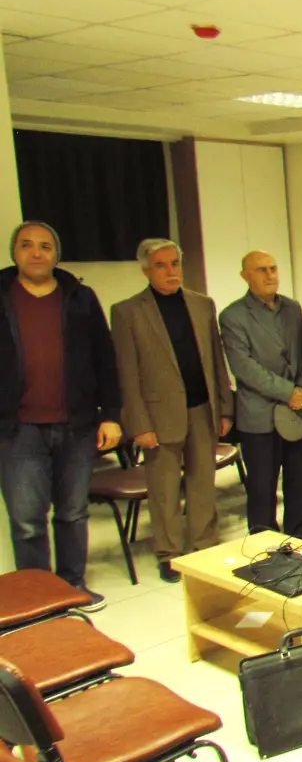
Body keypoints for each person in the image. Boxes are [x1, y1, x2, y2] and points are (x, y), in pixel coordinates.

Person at [0, 221, 121, 609]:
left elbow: (105, 359)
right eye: (27, 245)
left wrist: (111, 414)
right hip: (17, 430)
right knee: (26, 521)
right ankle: (38, 600)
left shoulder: (80, 297)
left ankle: (72, 587)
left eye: (45, 246)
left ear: (56, 254)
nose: (36, 252)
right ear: (14, 252)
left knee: (72, 512)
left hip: (77, 426)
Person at [112, 238, 234, 582]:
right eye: (161, 266)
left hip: (202, 408)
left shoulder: (202, 304)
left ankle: (204, 544)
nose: (171, 272)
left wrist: (225, 408)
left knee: (202, 482)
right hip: (158, 415)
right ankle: (169, 553)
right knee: (164, 488)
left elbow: (216, 361)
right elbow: (127, 373)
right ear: (146, 271)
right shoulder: (127, 312)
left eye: (175, 264)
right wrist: (138, 423)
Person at [219, 251, 302, 542]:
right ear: (245, 276)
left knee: (300, 477)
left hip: (297, 410)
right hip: (259, 413)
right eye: (261, 270)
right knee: (262, 484)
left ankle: (300, 531)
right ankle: (264, 538)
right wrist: (289, 392)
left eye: (273, 268)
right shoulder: (233, 316)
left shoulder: (292, 308)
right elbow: (244, 367)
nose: (270, 275)